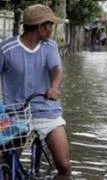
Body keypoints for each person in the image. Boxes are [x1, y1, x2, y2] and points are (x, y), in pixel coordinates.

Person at [0, 4, 71, 179]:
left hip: (48, 112)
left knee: (64, 165)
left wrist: (54, 88)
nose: (52, 28)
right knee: (6, 161)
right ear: (40, 27)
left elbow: (56, 69)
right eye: (50, 24)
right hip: (16, 115)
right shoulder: (6, 49)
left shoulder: (50, 46)